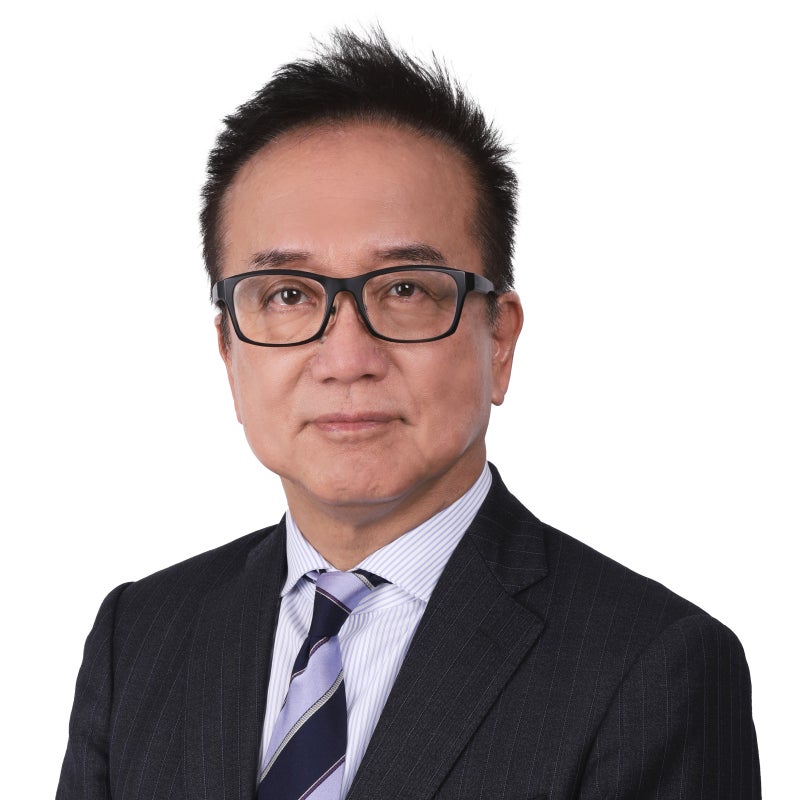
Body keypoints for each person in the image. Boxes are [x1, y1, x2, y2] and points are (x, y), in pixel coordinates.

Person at [57, 29, 760, 800]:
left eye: (404, 290)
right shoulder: (140, 635)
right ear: (229, 349)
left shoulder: (654, 667)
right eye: (288, 295)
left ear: (499, 340)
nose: (346, 357)